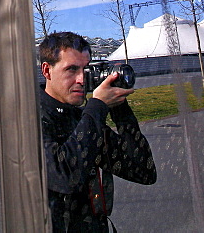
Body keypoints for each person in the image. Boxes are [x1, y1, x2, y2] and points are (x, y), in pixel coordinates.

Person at [39, 31, 156, 232]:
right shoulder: (30, 118)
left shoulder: (84, 119)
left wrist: (120, 109)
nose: (81, 80)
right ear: (47, 71)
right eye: (71, 70)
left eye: (86, 70)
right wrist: (97, 107)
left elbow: (143, 171)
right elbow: (65, 177)